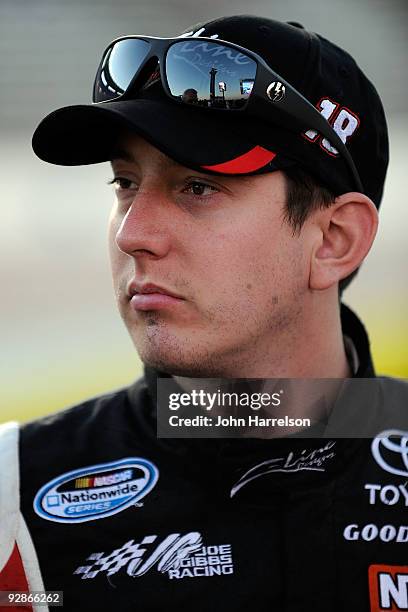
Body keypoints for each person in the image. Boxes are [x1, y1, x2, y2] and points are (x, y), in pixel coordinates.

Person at [0, 14, 407, 612]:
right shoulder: (13, 499)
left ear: (333, 240)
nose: (133, 234)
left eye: (198, 188)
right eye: (124, 183)